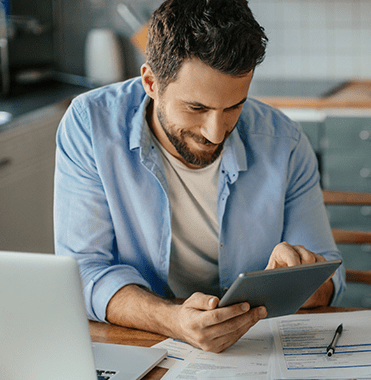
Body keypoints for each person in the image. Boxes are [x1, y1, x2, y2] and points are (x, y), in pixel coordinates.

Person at [54, 0, 344, 353]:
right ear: (150, 82)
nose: (217, 132)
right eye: (197, 108)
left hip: (252, 349)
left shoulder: (285, 143)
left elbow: (329, 279)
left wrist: (298, 276)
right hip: (141, 342)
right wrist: (172, 320)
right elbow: (82, 271)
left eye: (234, 106)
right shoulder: (90, 125)